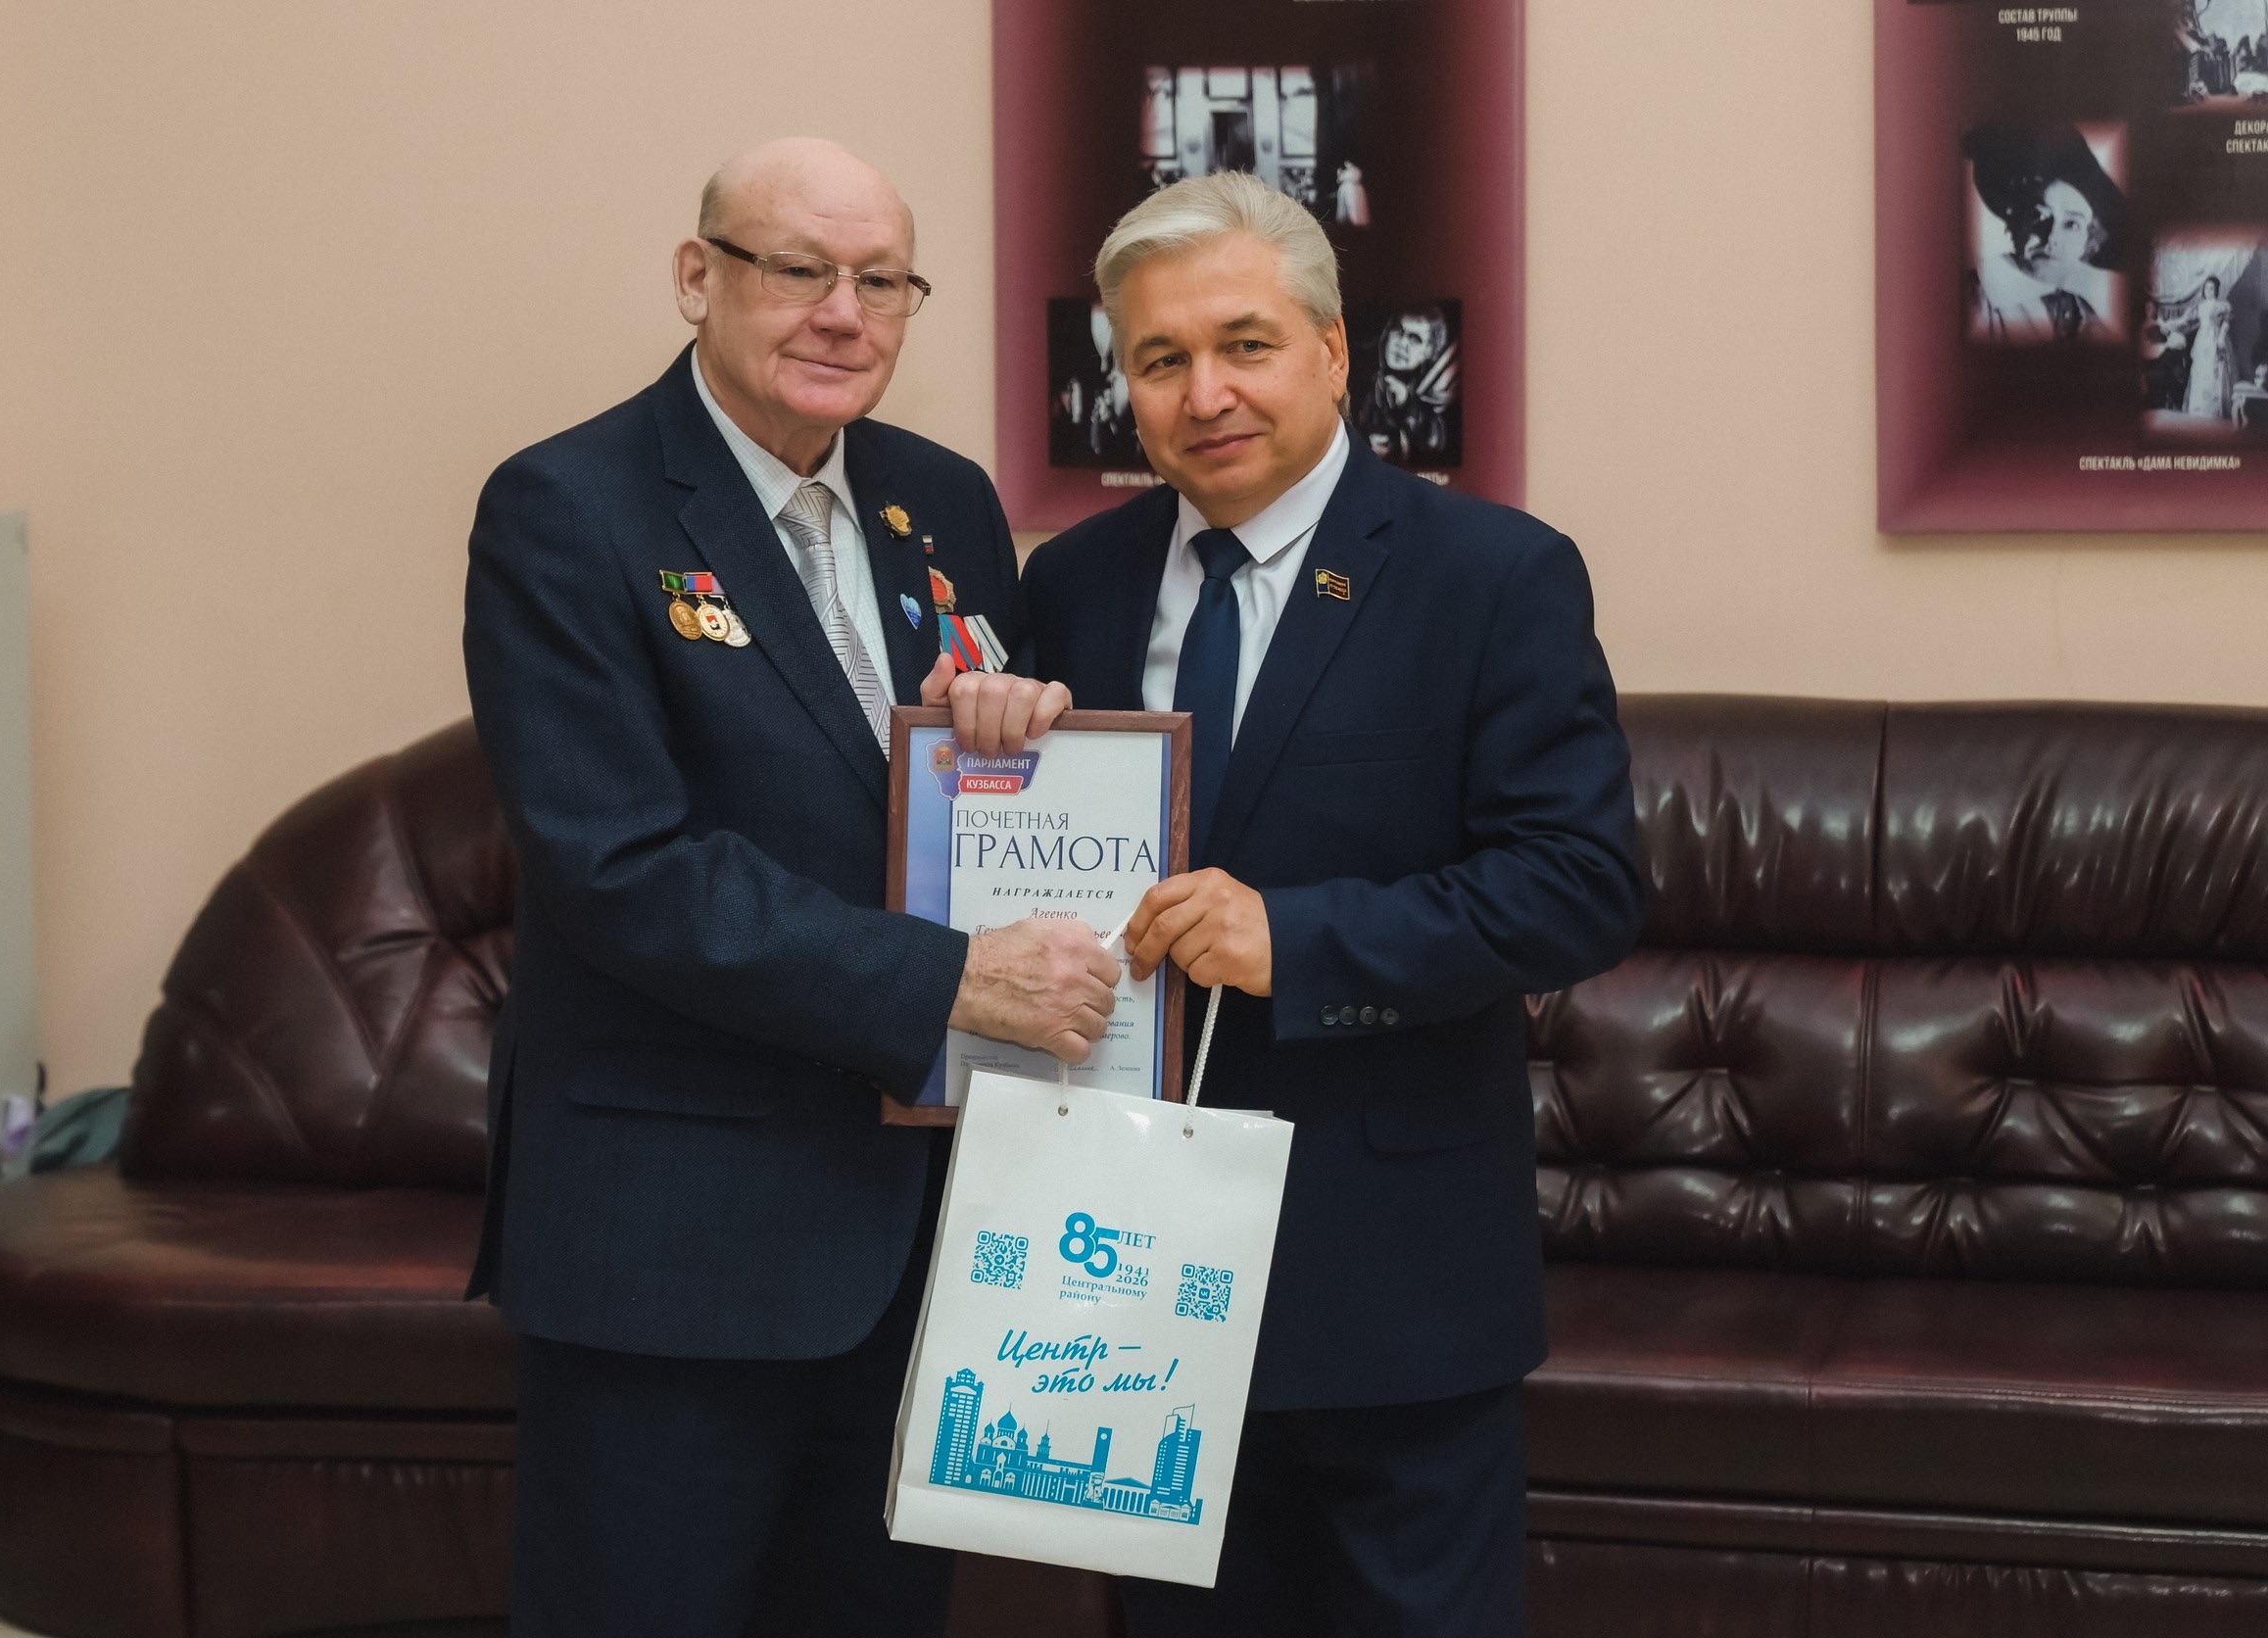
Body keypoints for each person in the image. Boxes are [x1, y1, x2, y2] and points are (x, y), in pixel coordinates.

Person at [462, 135, 1110, 1638]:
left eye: (882, 282)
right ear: (699, 278)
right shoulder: (568, 507)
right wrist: (953, 983)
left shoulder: (943, 504)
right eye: (800, 269)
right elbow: (622, 867)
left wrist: (1011, 735)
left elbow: (963, 807)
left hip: (914, 1235)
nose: (842, 314)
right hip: (673, 1240)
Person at [1022, 170, 1645, 1635]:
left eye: (1244, 343)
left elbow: (1580, 887)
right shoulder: (1071, 586)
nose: (1206, 394)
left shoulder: (1492, 574)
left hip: (1390, 1273)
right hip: (1125, 1277)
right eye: (1161, 360)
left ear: (1332, 350)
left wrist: (1296, 939)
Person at [1963, 124, 2126, 344]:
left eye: (2071, 224)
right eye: (2038, 217)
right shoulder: (1973, 301)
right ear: (2014, 220)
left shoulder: (2084, 312)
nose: (2051, 238)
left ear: (2089, 240)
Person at [1354, 309, 1458, 466]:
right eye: (1398, 331)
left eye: (1414, 339)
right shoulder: (1361, 384)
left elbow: (1434, 443)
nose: (1402, 343)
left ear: (1429, 351)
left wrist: (1406, 403)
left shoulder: (1432, 394)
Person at [2188, 274, 2238, 418]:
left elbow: (2226, 322)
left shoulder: (2222, 305)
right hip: (2202, 339)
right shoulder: (2200, 306)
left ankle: (2215, 408)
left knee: (2215, 369)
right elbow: (2194, 323)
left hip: (2215, 337)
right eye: (2206, 288)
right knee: (2201, 369)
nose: (2209, 291)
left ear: (2216, 290)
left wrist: (2221, 338)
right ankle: (2199, 407)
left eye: (2212, 288)